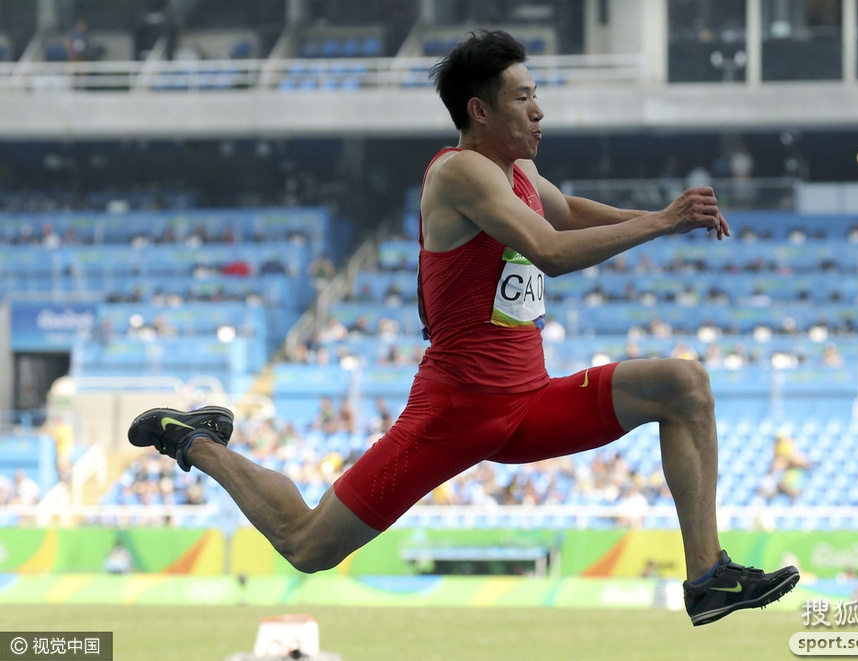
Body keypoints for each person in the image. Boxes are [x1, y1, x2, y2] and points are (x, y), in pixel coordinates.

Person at [128, 30, 798, 627]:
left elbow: (564, 214)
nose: (539, 111)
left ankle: (707, 576)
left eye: (538, 95)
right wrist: (660, 223)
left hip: (529, 400)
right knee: (307, 545)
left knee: (683, 384)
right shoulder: (459, 173)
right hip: (456, 409)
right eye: (523, 98)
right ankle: (196, 441)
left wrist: (659, 212)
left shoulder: (520, 171)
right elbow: (552, 253)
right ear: (480, 110)